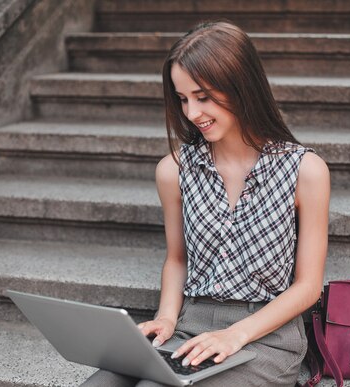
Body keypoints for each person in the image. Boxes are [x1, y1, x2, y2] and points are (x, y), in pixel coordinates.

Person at [82, 20, 329, 387]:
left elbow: (308, 287)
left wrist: (235, 335)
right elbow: (177, 259)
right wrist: (166, 318)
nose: (191, 113)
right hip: (191, 327)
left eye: (203, 96)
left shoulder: (305, 171)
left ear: (240, 86)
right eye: (182, 99)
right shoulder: (173, 171)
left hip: (267, 339)